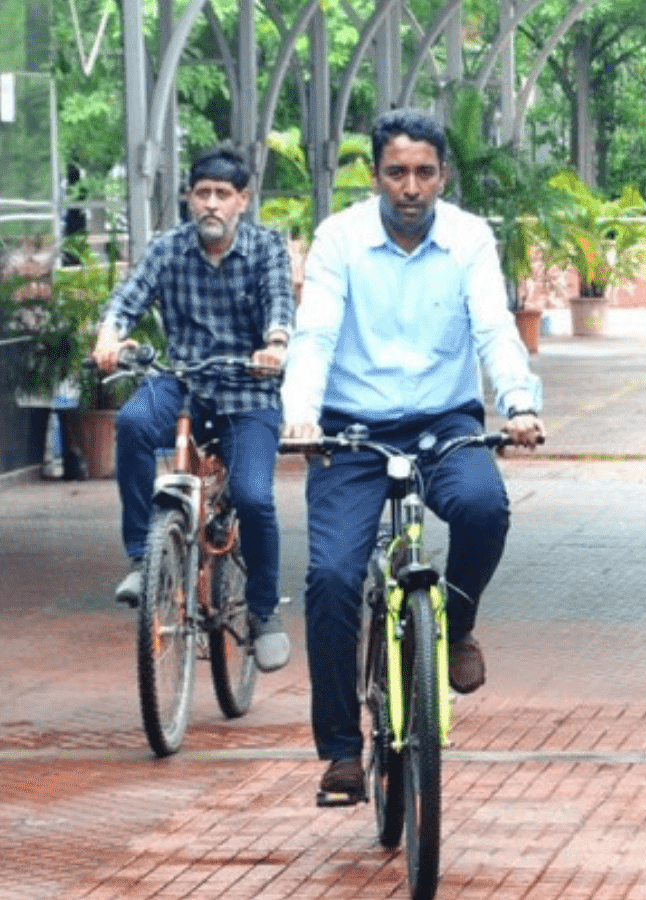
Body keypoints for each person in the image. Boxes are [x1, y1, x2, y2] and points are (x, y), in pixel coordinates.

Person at [280, 109, 545, 804]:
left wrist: (518, 402)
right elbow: (315, 332)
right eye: (396, 172)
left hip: (442, 421)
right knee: (333, 578)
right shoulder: (339, 238)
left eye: (424, 172)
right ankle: (341, 750)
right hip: (351, 430)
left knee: (485, 508)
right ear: (375, 177)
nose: (411, 186)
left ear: (443, 176)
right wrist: (300, 415)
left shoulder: (469, 238)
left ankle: (456, 627)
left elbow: (492, 324)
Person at [92, 145, 295, 673]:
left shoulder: (266, 248)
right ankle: (143, 555)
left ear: (242, 200)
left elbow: (279, 303)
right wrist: (111, 334)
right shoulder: (169, 250)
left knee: (253, 497)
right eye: (202, 193)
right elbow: (127, 299)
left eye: (222, 195)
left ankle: (264, 613)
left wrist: (274, 345)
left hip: (248, 392)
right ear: (188, 198)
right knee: (134, 422)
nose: (211, 204)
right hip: (182, 383)